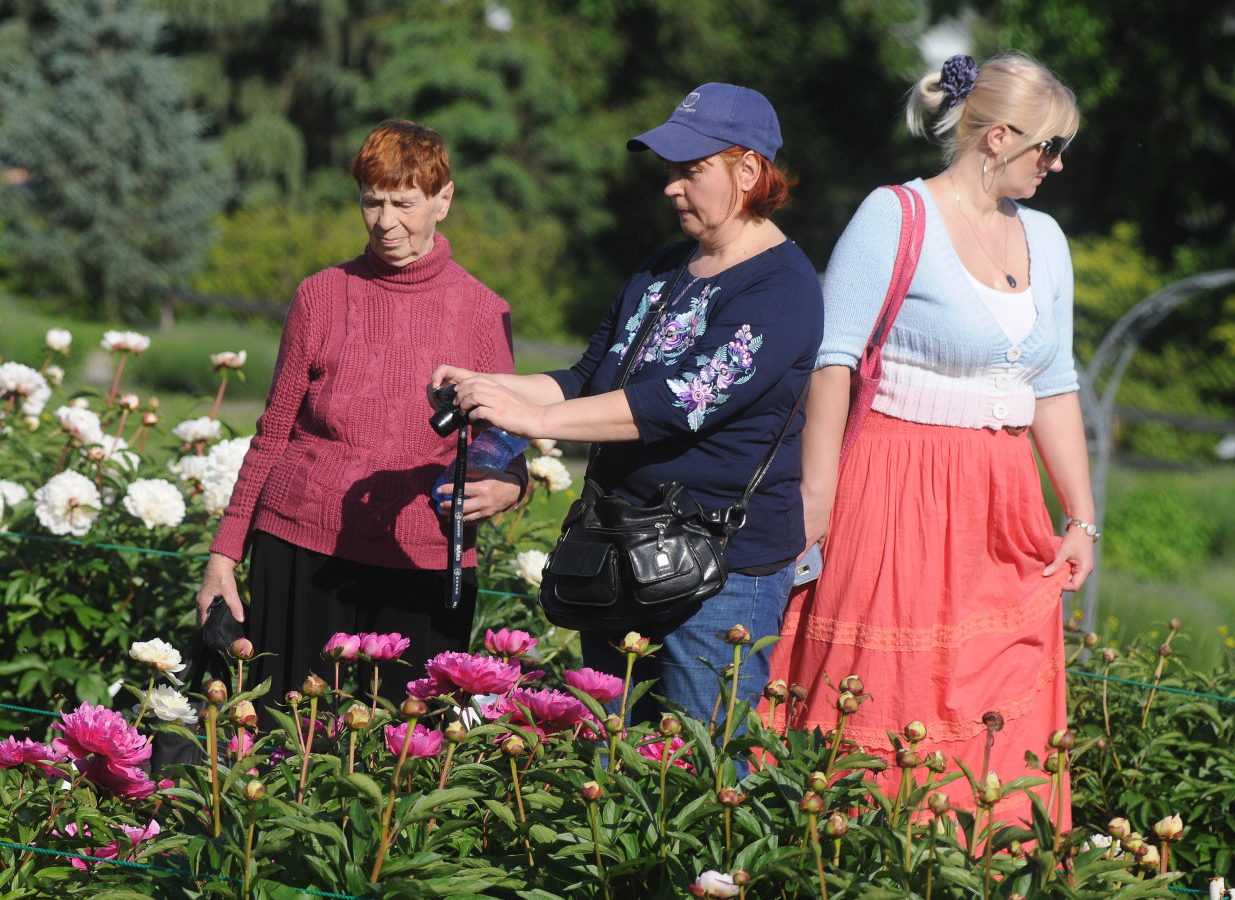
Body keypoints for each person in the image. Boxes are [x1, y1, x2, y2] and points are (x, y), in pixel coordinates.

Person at [433, 83, 823, 728]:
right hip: (617, 553)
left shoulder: (782, 287)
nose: (672, 186)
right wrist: (492, 387)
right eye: (670, 170)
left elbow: (682, 400)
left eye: (691, 170)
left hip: (720, 572)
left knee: (701, 772)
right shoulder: (663, 267)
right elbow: (590, 377)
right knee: (610, 758)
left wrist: (535, 420)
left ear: (748, 170)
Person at [769, 53, 1092, 829]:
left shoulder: (1046, 238)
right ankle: (860, 875)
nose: (1055, 166)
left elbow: (1055, 383)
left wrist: (1081, 516)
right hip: (896, 485)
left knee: (998, 696)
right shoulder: (896, 215)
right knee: (887, 686)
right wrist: (818, 498)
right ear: (997, 138)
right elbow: (832, 359)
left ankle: (989, 887)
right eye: (1048, 148)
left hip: (1003, 497)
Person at [196, 119, 525, 713]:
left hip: (420, 562)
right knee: (287, 744)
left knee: (408, 754)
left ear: (443, 200)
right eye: (372, 202)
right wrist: (223, 555)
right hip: (300, 549)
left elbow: (505, 439)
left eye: (405, 203)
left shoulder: (483, 312)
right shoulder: (320, 295)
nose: (386, 221)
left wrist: (512, 483)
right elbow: (273, 432)